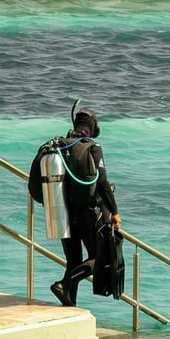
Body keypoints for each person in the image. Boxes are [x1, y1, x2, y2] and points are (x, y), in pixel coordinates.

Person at [51, 106, 121, 307]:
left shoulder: (59, 146)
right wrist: (114, 211)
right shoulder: (92, 147)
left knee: (73, 260)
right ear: (93, 127)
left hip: (62, 211)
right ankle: (64, 285)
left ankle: (69, 303)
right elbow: (103, 181)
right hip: (87, 213)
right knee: (98, 257)